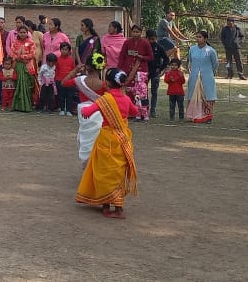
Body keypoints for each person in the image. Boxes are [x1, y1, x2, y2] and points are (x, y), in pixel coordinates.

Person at [75, 68, 138, 219]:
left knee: (104, 171)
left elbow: (87, 112)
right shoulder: (126, 99)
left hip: (107, 139)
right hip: (123, 139)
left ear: (107, 83)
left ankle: (105, 204)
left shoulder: (105, 99)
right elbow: (135, 112)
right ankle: (118, 207)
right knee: (118, 171)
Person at [185, 31, 218, 123]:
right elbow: (191, 61)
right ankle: (193, 115)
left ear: (205, 39)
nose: (198, 39)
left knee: (208, 95)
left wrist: (209, 72)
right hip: (194, 75)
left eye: (200, 37)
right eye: (197, 37)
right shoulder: (192, 49)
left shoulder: (211, 51)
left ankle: (208, 117)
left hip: (207, 75)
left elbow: (215, 64)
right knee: (192, 94)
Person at [10, 24, 37, 113]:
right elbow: (11, 53)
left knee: (27, 86)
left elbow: (32, 54)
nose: (22, 34)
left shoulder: (31, 42)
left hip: (28, 66)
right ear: (18, 33)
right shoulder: (15, 42)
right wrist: (18, 58)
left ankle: (27, 105)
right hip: (17, 66)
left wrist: (21, 57)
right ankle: (18, 105)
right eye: (21, 32)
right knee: (18, 85)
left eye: (24, 32)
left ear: (27, 33)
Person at [144, 29, 169, 119]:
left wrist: (161, 69)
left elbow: (166, 59)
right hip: (145, 72)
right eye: (150, 39)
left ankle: (153, 109)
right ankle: (144, 109)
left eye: (154, 39)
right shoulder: (144, 47)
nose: (152, 41)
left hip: (155, 72)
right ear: (146, 38)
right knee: (143, 91)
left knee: (154, 92)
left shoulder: (159, 47)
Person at [54, 42, 77, 117]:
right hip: (59, 80)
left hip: (69, 81)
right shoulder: (57, 60)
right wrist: (56, 79)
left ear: (69, 51)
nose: (64, 51)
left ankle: (68, 110)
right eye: (63, 49)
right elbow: (56, 70)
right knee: (61, 96)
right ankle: (62, 109)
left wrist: (73, 79)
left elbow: (73, 70)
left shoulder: (71, 60)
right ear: (60, 50)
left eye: (66, 49)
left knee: (69, 96)